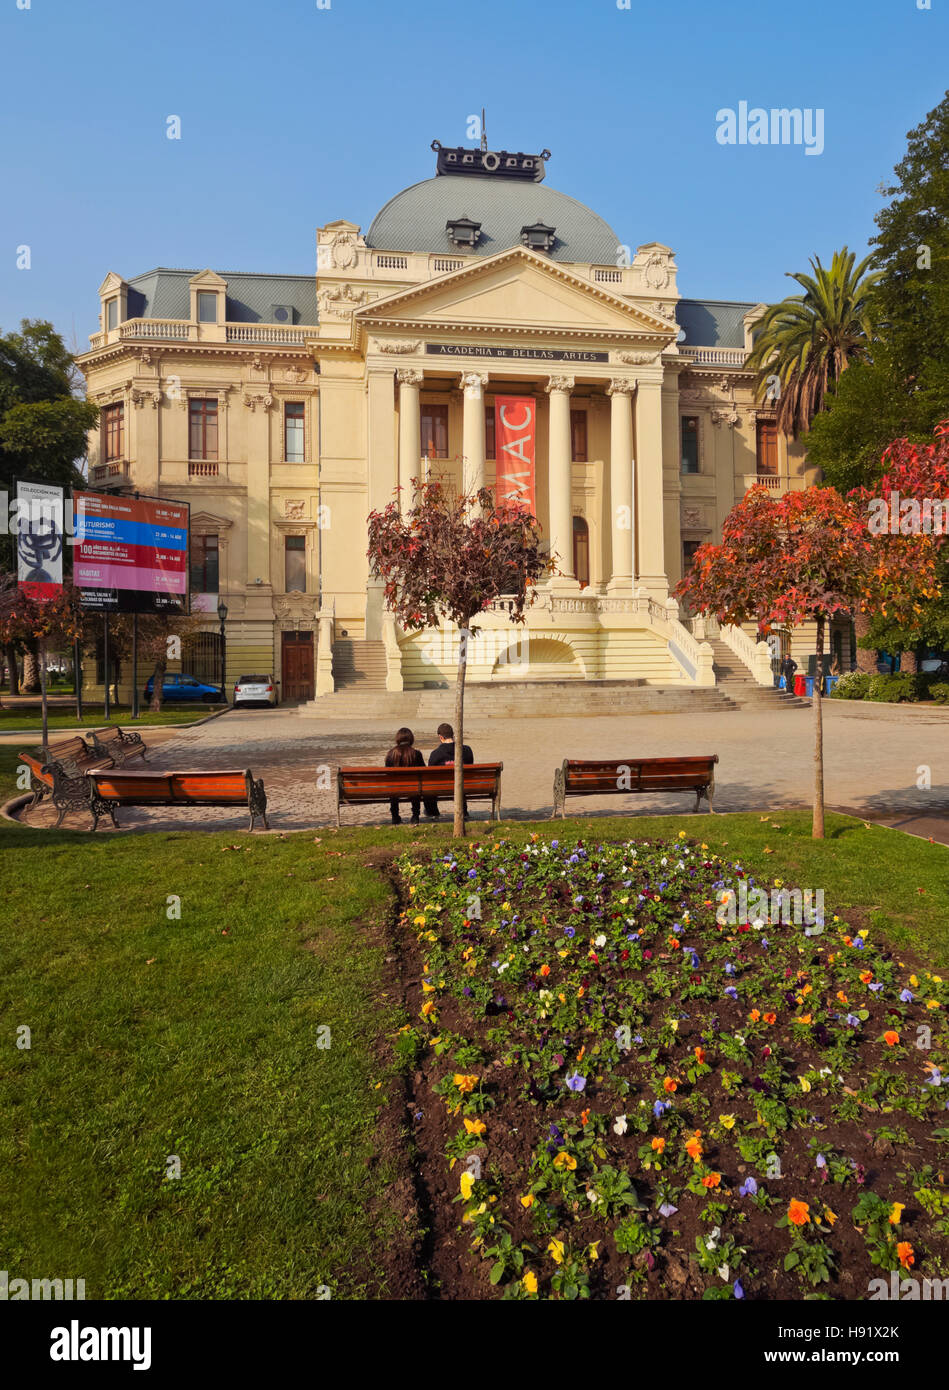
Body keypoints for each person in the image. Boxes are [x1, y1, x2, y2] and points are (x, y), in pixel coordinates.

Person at [424, 722, 474, 820]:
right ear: (453, 735)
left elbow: (430, 773)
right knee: (461, 780)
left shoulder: (435, 754)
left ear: (440, 737)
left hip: (441, 786)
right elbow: (470, 764)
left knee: (429, 785)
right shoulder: (466, 750)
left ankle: (433, 811)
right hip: (464, 785)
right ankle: (464, 811)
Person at [384, 727, 424, 825]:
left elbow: (387, 773)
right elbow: (423, 771)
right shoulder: (416, 754)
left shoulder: (391, 754)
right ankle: (415, 816)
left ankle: (395, 816)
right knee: (415, 785)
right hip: (413, 788)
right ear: (411, 739)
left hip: (395, 789)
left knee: (392, 786)